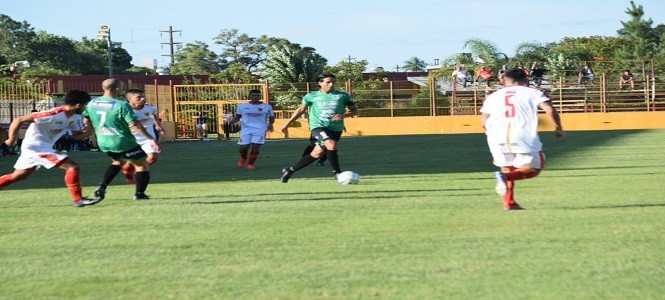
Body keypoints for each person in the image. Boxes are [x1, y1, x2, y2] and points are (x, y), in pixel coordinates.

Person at [480, 68, 565, 211]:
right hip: (522, 134)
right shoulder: (533, 92)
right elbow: (550, 110)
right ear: (525, 80)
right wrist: (558, 127)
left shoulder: (493, 96)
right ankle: (505, 179)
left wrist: (493, 134)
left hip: (495, 134)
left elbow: (483, 122)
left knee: (507, 169)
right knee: (534, 169)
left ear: (504, 81)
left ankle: (509, 203)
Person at [0, 90, 99, 207]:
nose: (85, 108)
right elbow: (19, 119)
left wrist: (88, 132)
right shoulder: (53, 114)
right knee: (72, 167)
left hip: (40, 148)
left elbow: (76, 136)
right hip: (35, 148)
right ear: (78, 105)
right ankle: (78, 199)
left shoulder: (74, 117)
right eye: (85, 105)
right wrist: (11, 139)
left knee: (18, 175)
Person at [83, 79, 161, 202]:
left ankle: (102, 186)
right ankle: (139, 194)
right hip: (123, 141)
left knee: (118, 161)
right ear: (118, 89)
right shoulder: (121, 105)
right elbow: (135, 126)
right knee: (142, 165)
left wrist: (89, 132)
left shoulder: (92, 103)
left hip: (103, 142)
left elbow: (86, 122)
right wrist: (151, 138)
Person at [279, 72, 358, 183]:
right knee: (331, 144)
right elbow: (300, 109)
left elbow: (355, 111)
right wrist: (287, 124)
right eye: (328, 82)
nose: (331, 84)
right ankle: (337, 173)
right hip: (318, 126)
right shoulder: (311, 96)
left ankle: (290, 170)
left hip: (336, 128)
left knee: (316, 153)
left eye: (333, 82)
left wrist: (343, 115)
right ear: (319, 83)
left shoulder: (342, 95)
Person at [121, 89, 165, 183]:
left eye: (143, 96)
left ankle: (139, 171)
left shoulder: (150, 107)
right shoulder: (124, 110)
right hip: (131, 140)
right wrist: (133, 128)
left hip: (148, 138)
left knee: (153, 158)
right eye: (139, 97)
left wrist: (158, 126)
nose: (142, 99)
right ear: (130, 99)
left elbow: (153, 116)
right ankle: (129, 175)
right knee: (128, 165)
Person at [225, 89, 275, 170]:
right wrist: (232, 121)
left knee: (255, 146)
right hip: (246, 129)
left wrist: (270, 125)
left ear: (260, 96)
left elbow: (271, 117)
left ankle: (250, 164)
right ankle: (243, 158)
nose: (256, 97)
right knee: (243, 147)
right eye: (254, 95)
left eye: (258, 95)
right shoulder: (242, 106)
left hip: (260, 129)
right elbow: (238, 117)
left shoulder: (267, 107)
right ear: (250, 96)